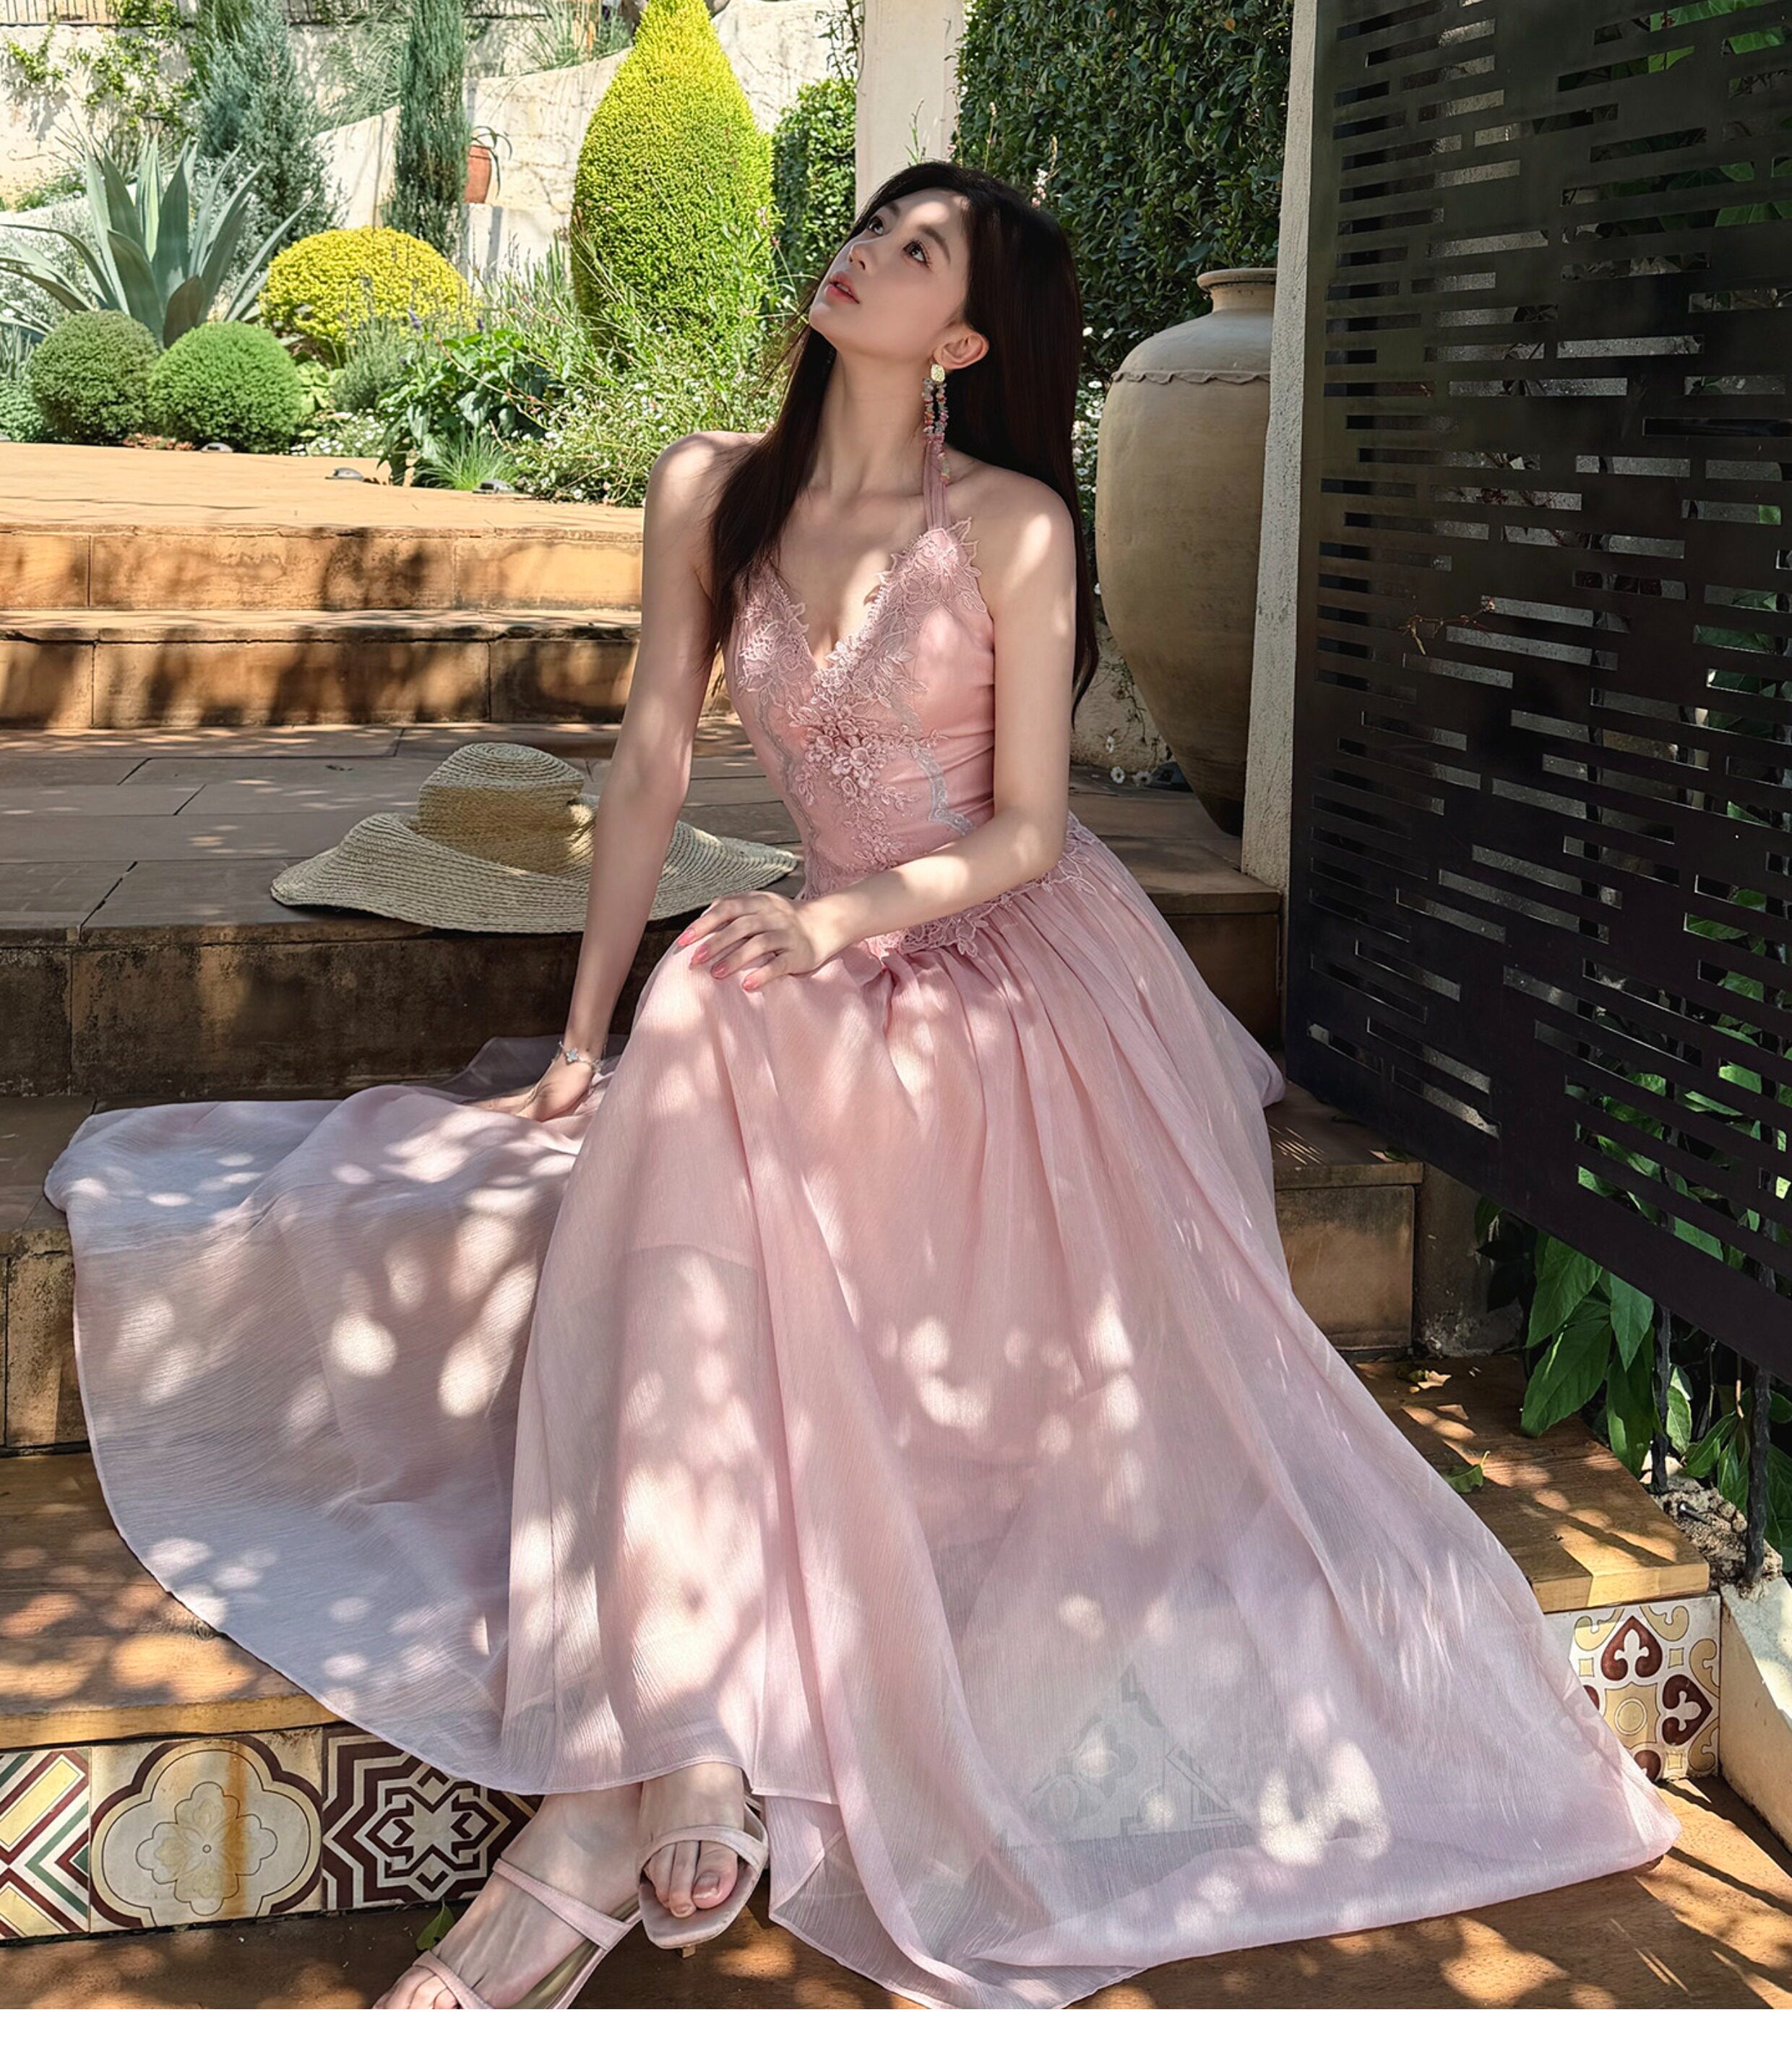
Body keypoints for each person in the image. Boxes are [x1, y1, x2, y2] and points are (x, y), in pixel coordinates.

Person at [46, 163, 1680, 2012]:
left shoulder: (1012, 522)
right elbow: (648, 767)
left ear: (964, 339)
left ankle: (624, 1790)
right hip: (809, 940)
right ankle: (685, 1734)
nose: (865, 253)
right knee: (693, 1016)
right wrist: (579, 1040)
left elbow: (1030, 830)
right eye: (872, 225)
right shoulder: (707, 485)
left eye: (917, 252)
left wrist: (834, 926)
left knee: (736, 1011)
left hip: (998, 950)